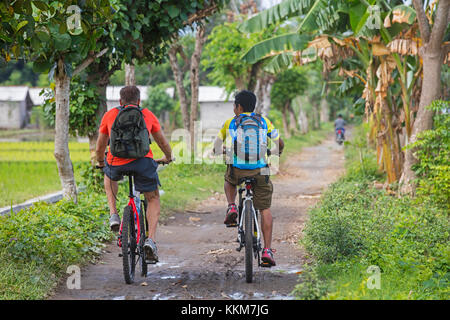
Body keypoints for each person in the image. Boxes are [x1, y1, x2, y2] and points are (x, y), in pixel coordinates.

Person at [96, 85, 172, 264]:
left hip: (117, 163)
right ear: (138, 101)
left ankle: (113, 214)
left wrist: (101, 162)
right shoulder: (147, 114)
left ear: (120, 101)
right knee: (152, 198)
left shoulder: (110, 115)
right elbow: (161, 141)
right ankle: (151, 240)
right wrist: (168, 157)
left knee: (108, 175)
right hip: (143, 162)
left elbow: (100, 145)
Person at [213, 90, 284, 267]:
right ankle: (267, 250)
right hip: (261, 170)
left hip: (238, 169)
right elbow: (279, 143)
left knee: (229, 179)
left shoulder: (230, 122)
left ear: (239, 106)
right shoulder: (264, 121)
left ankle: (231, 207)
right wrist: (276, 153)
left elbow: (217, 145)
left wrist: (221, 151)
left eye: (234, 106)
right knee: (265, 209)